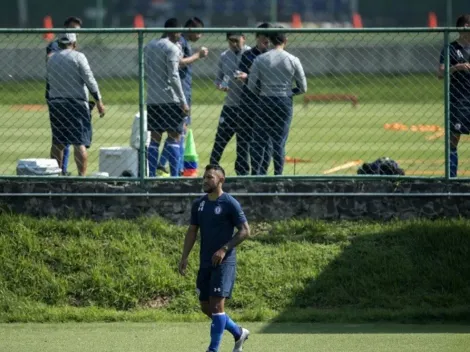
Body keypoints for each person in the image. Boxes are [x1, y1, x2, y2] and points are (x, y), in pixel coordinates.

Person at [179, 164, 251, 352]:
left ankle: (213, 349)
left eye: (210, 177)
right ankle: (238, 332)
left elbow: (245, 231)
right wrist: (184, 256)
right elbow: (192, 231)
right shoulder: (199, 204)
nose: (205, 180)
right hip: (205, 262)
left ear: (221, 180)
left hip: (224, 262)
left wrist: (224, 249)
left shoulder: (229, 203)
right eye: (204, 177)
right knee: (206, 307)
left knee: (218, 307)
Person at [248, 27, 307, 176]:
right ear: (285, 41)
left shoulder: (260, 59)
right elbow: (303, 87)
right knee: (279, 142)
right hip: (284, 101)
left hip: (265, 100)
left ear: (270, 41)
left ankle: (256, 174)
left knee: (259, 140)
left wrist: (262, 92)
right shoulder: (293, 59)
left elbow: (251, 85)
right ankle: (278, 175)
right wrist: (288, 93)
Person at [46, 32, 105, 176]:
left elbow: (49, 83)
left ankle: (56, 176)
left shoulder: (51, 59)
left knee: (58, 142)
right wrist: (99, 101)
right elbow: (89, 80)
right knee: (79, 142)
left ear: (59, 43)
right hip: (76, 103)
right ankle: (81, 177)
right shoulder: (79, 57)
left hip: (56, 103)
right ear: (74, 43)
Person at [157, 17, 209, 177]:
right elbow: (178, 63)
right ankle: (165, 164)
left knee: (179, 131)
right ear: (190, 30)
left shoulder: (180, 43)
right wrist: (197, 55)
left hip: (180, 91)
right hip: (179, 94)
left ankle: (171, 165)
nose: (200, 36)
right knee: (178, 131)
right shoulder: (180, 43)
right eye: (198, 32)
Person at [145, 18, 189, 177]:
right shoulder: (172, 48)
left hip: (152, 98)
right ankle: (175, 176)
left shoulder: (149, 46)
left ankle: (151, 175)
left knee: (155, 139)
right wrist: (183, 101)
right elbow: (174, 76)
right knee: (174, 137)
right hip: (170, 99)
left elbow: (146, 70)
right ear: (175, 31)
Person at [45, 16, 82, 176]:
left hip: (70, 92)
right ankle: (60, 170)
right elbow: (50, 59)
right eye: (73, 29)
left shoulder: (72, 47)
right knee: (62, 137)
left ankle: (62, 170)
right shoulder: (56, 45)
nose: (75, 33)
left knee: (65, 136)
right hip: (58, 92)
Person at [235, 22, 273, 175]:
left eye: (269, 39)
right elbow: (240, 75)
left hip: (265, 102)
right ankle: (243, 171)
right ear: (257, 38)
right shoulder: (248, 55)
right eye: (264, 39)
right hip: (248, 102)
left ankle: (262, 171)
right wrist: (249, 77)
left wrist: (250, 77)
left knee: (267, 140)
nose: (267, 43)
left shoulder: (272, 57)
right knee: (245, 137)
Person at [209, 30, 250, 169]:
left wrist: (246, 78)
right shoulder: (224, 56)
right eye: (230, 41)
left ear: (243, 38)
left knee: (243, 142)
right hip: (230, 105)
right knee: (220, 139)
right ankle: (212, 168)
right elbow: (218, 79)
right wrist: (220, 86)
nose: (233, 44)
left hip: (246, 106)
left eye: (236, 41)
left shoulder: (251, 54)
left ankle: (242, 172)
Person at [438, 14, 470, 177]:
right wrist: (457, 67)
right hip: (459, 100)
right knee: (453, 140)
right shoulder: (450, 49)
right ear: (464, 27)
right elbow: (441, 72)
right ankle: (452, 177)